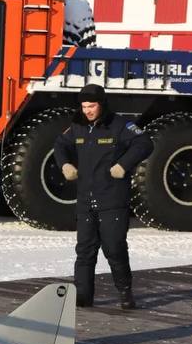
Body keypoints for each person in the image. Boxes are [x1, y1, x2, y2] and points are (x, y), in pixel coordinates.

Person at [54, 83, 153, 309]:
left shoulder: (119, 125)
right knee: (85, 251)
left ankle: (125, 293)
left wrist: (123, 165)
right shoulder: (77, 127)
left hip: (113, 199)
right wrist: (65, 165)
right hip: (85, 200)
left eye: (92, 106)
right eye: (84, 106)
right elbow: (60, 144)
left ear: (102, 104)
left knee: (114, 248)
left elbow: (145, 143)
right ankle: (83, 298)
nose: (87, 111)